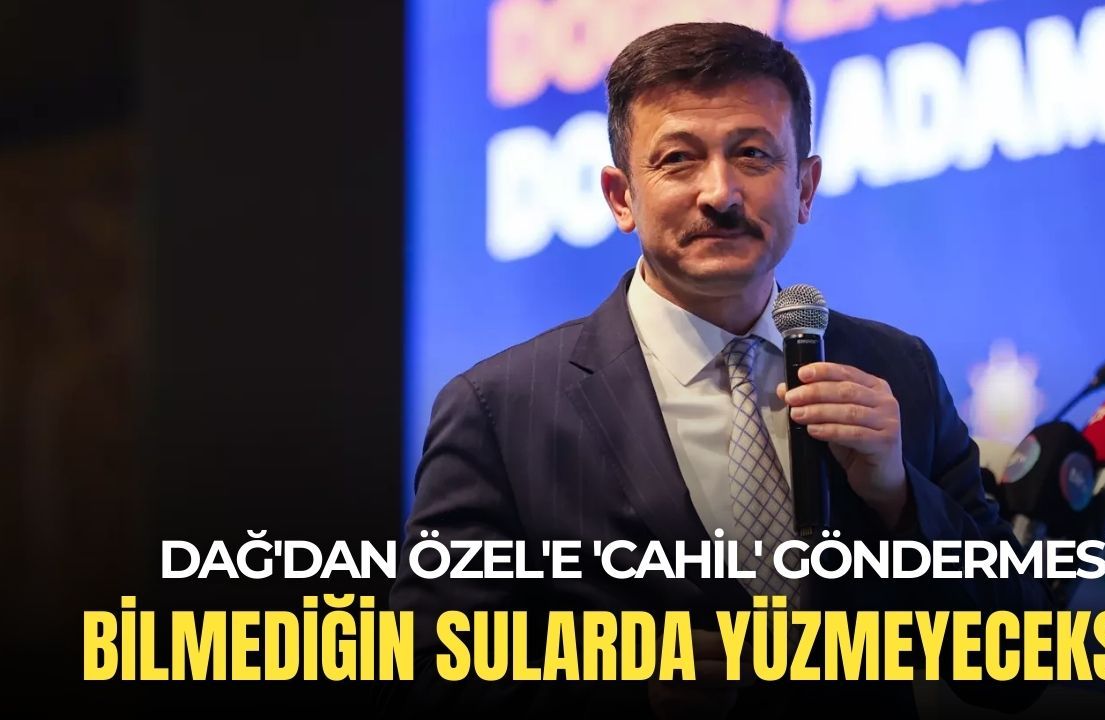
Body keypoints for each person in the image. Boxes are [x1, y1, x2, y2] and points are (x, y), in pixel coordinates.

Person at [388, 21, 1052, 718]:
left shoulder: (895, 369)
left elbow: (1016, 666)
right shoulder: (501, 410)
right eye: (678, 159)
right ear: (621, 196)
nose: (721, 193)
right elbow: (427, 679)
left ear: (805, 187)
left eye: (753, 154)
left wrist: (900, 498)